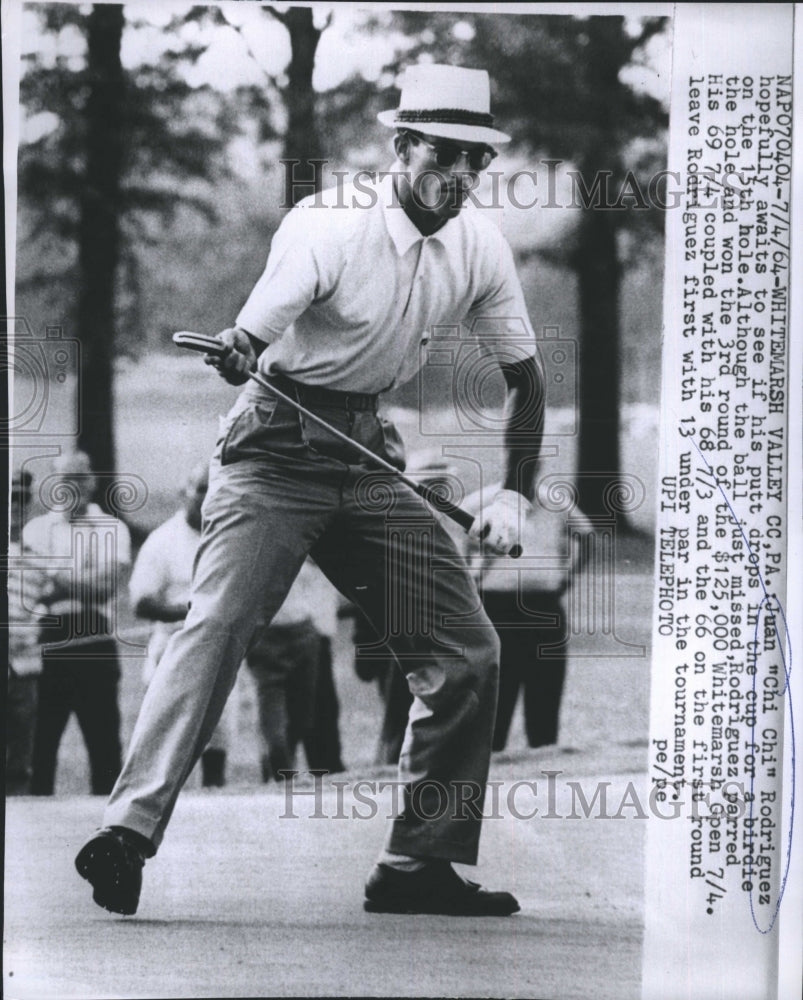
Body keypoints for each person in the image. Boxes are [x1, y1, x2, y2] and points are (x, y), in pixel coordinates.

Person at [76, 63, 545, 917]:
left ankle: (416, 866)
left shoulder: (478, 244)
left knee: (466, 650)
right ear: (400, 145)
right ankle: (126, 834)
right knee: (218, 626)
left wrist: (513, 492)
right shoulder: (328, 223)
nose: (462, 177)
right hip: (275, 448)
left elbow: (526, 376)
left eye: (477, 161)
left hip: (366, 452)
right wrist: (239, 345)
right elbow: (255, 330)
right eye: (445, 153)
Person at [24, 451, 131, 795]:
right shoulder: (36, 530)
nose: (71, 486)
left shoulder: (112, 528)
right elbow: (33, 592)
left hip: (95, 638)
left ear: (92, 482)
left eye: (79, 478)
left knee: (104, 744)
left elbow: (106, 587)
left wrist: (56, 575)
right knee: (41, 742)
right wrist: (81, 580)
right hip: (49, 640)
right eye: (63, 478)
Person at [464, 478, 593, 751]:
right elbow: (456, 539)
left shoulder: (556, 501)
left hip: (542, 601)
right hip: (497, 603)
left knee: (545, 687)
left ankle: (544, 754)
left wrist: (568, 576)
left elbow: (586, 534)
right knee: (498, 687)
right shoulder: (484, 500)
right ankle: (490, 755)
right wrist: (470, 576)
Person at [128, 463, 230, 788]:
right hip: (170, 651)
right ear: (183, 492)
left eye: (213, 489)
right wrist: (190, 610)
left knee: (218, 738)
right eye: (200, 488)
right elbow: (141, 603)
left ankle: (215, 805)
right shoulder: (162, 541)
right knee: (163, 742)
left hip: (216, 652)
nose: (206, 496)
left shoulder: (227, 539)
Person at [245, 557, 343, 781]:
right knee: (274, 711)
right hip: (267, 633)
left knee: (302, 716)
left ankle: (278, 771)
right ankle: (280, 772)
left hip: (302, 628)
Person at [6, 469, 42, 794]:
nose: (15, 507)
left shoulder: (36, 559)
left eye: (22, 499)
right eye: (10, 499)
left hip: (24, 673)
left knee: (19, 765)